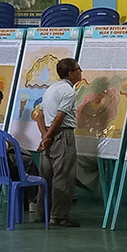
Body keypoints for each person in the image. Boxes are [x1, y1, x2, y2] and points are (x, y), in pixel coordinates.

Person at [35, 57, 83, 226]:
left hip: (49, 135)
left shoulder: (51, 89)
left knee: (46, 176)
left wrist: (44, 136)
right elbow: (59, 118)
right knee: (64, 176)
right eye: (78, 69)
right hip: (61, 135)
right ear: (71, 73)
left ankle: (43, 213)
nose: (81, 72)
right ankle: (59, 217)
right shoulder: (68, 92)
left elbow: (40, 116)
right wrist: (48, 136)